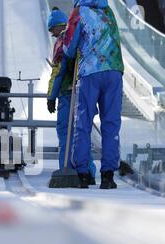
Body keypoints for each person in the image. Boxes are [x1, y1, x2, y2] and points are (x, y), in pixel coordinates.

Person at [49, 0, 124, 189]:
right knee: (111, 124)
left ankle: (83, 173)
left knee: (82, 123)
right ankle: (108, 176)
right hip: (114, 71)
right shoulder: (109, 11)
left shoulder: (79, 11)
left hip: (90, 72)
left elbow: (69, 48)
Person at [46, 7, 96, 184]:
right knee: (82, 133)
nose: (53, 35)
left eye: (52, 31)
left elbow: (57, 73)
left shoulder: (62, 42)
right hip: (84, 91)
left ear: (58, 27)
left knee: (66, 133)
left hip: (68, 93)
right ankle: (87, 171)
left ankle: (66, 169)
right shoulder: (81, 37)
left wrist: (51, 96)